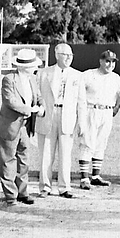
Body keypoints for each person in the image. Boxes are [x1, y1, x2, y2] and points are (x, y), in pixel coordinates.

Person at [0, 49, 45, 206]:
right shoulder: (9, 79)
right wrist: (31, 110)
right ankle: (10, 196)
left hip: (25, 126)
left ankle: (23, 193)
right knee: (8, 161)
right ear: (25, 67)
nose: (35, 68)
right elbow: (10, 101)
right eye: (33, 65)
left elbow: (39, 97)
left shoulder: (32, 79)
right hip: (10, 126)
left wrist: (41, 107)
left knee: (24, 160)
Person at [36, 43, 86, 199]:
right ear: (57, 55)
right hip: (48, 116)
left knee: (66, 154)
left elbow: (81, 102)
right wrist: (39, 109)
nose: (69, 58)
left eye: (71, 55)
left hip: (68, 117)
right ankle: (45, 187)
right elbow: (36, 94)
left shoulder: (77, 75)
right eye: (65, 55)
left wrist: (82, 123)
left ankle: (64, 187)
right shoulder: (44, 73)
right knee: (46, 154)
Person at [77, 50, 120, 190]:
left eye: (113, 62)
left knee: (101, 143)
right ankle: (84, 178)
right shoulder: (89, 74)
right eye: (107, 61)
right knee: (87, 142)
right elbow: (79, 94)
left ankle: (96, 176)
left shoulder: (115, 77)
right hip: (91, 110)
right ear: (101, 61)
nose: (110, 64)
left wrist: (116, 108)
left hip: (107, 111)